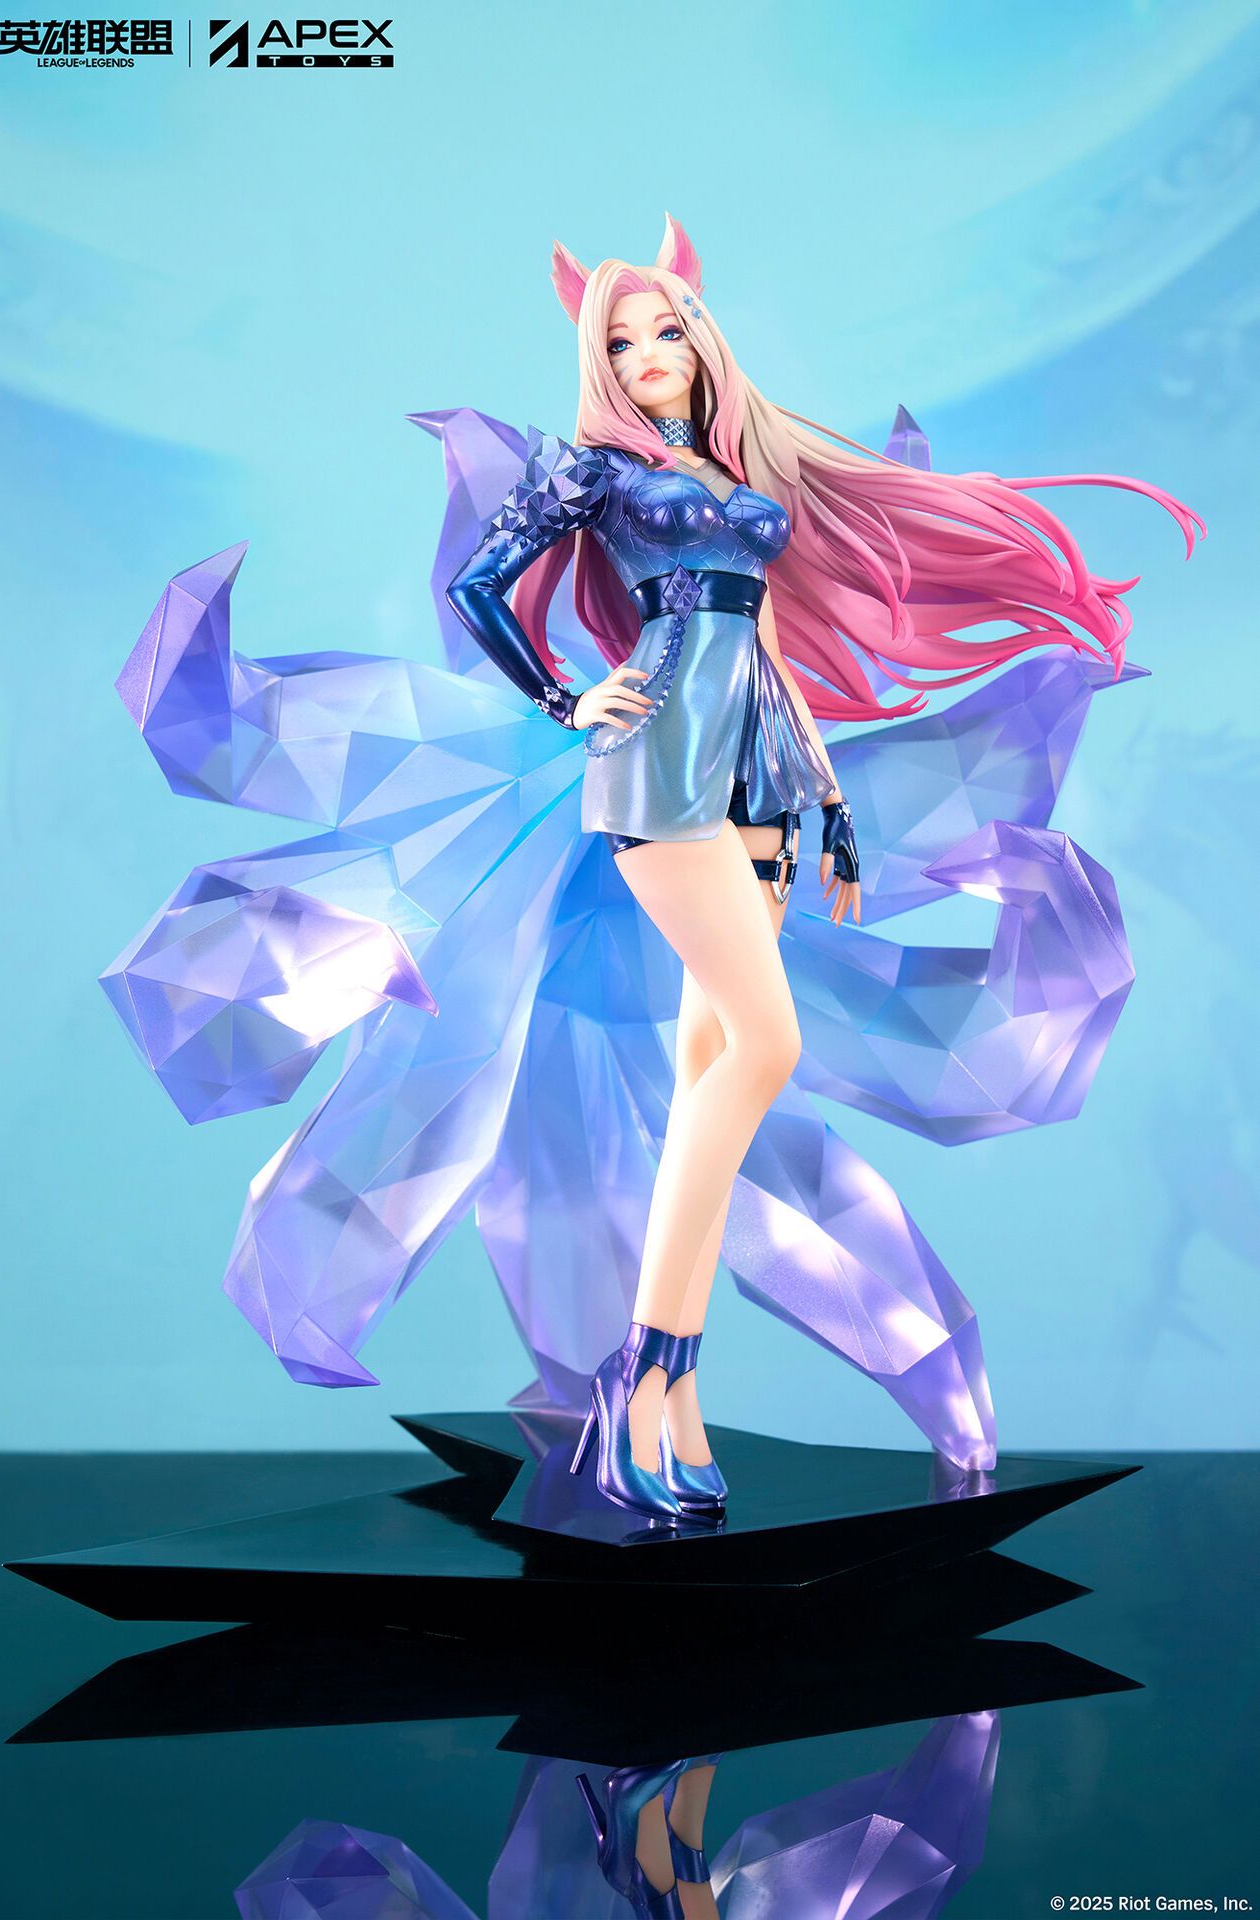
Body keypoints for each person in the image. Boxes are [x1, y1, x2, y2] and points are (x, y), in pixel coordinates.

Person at [446, 214, 1200, 1525]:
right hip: (659, 762)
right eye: (618, 342)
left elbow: (767, 642)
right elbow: (479, 588)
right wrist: (566, 700)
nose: (646, 355)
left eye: (665, 328)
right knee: (765, 1046)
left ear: (701, 335)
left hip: (759, 769)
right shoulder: (591, 473)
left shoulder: (733, 469)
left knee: (711, 1065)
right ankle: (643, 1370)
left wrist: (826, 797)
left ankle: (670, 1395)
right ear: (595, 363)